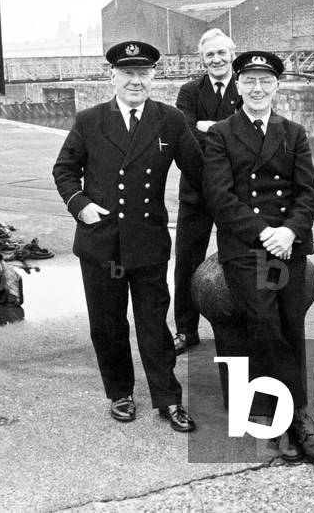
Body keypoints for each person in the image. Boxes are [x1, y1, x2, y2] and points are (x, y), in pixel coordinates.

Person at [52, 40, 203, 433]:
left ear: (154, 76)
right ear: (112, 76)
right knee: (107, 323)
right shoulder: (89, 120)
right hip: (101, 242)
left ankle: (168, 399)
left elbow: (200, 171)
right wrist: (79, 203)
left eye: (143, 73)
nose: (135, 81)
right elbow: (64, 170)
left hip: (148, 241)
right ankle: (120, 392)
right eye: (128, 73)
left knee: (154, 322)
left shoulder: (169, 120)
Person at [202, 51, 314, 461]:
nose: (258, 88)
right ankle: (296, 418)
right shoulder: (221, 133)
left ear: (276, 86)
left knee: (290, 324)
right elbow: (220, 197)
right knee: (264, 322)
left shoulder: (293, 133)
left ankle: (286, 416)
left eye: (265, 81)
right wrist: (264, 233)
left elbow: (308, 193)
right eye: (250, 81)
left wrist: (290, 230)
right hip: (244, 247)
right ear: (238, 86)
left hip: (287, 245)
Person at [172, 28, 243, 354]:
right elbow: (184, 135)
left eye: (221, 53)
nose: (216, 59)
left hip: (237, 191)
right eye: (209, 55)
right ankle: (186, 330)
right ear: (203, 59)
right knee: (187, 261)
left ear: (232, 53)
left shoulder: (247, 87)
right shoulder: (189, 91)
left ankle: (243, 321)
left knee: (241, 258)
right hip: (196, 190)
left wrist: (207, 126)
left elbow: (252, 130)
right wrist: (226, 130)